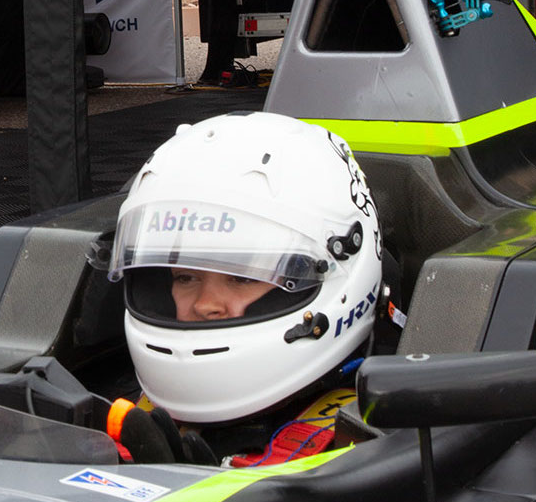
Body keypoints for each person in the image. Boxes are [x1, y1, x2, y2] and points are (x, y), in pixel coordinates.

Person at [106, 111, 385, 465]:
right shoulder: (115, 407)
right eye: (185, 277)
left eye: (242, 277)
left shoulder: (381, 447)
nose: (206, 304)